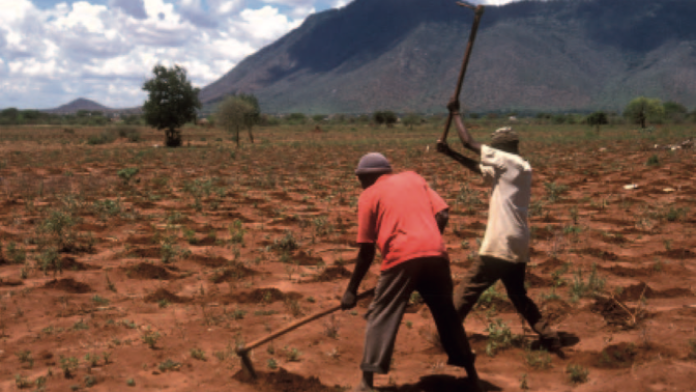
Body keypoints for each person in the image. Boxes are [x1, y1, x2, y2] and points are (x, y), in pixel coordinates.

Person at [341, 152, 483, 392]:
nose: (360, 183)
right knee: (447, 315)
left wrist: (351, 290)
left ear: (367, 176)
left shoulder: (369, 195)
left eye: (360, 178)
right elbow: (443, 213)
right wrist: (428, 240)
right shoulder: (413, 178)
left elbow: (366, 251)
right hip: (436, 254)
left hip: (401, 257)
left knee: (381, 315)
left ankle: (366, 383)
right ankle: (471, 375)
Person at [437, 98, 561, 352]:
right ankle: (548, 335)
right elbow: (477, 167)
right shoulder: (517, 168)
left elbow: (468, 143)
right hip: (518, 241)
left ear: (502, 150)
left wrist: (456, 112)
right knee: (517, 294)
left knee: (469, 288)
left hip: (502, 241)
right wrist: (450, 154)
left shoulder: (509, 162)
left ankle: (446, 336)